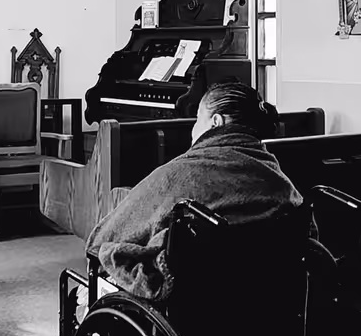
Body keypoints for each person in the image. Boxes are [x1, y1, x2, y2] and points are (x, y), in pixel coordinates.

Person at [85, 82, 306, 303]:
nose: (193, 129)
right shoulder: (281, 183)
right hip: (265, 303)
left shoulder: (177, 176)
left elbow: (102, 240)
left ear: (215, 122)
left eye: (198, 119)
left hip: (191, 307)